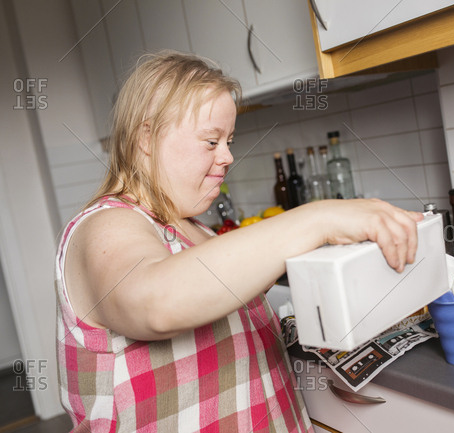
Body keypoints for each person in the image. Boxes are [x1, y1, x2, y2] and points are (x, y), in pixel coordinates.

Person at [55, 51, 422, 432]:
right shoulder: (105, 224)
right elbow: (155, 303)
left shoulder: (197, 231)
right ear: (146, 137)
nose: (228, 156)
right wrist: (320, 217)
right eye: (211, 142)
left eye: (228, 140)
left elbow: (223, 302)